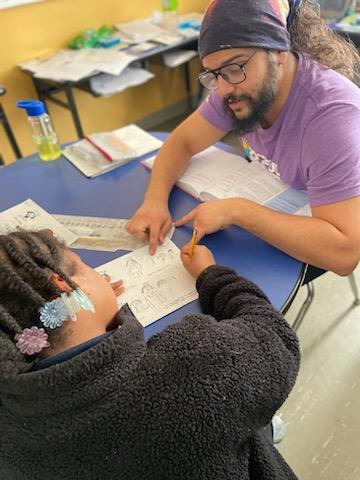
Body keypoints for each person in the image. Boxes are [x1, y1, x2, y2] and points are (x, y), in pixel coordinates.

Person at [0, 230, 300, 480]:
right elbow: (274, 337)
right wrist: (212, 275)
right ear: (64, 285)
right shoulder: (194, 366)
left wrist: (88, 307)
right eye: (85, 266)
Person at [126, 0, 360, 278]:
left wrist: (238, 211)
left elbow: (345, 254)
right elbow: (183, 142)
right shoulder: (236, 86)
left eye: (235, 68)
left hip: (326, 213)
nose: (224, 90)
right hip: (280, 195)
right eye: (213, 74)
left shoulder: (330, 115)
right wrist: (154, 200)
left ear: (278, 53)